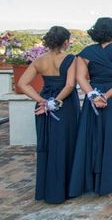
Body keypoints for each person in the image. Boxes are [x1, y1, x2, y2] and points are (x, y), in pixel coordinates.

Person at [69, 17, 112, 197]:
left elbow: (81, 78)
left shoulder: (85, 53)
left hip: (94, 96)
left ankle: (91, 178)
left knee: (93, 136)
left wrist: (93, 95)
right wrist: (106, 96)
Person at [17, 26, 80, 204]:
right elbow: (69, 86)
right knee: (66, 143)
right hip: (65, 104)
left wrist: (42, 101)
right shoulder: (70, 59)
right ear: (66, 42)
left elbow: (23, 83)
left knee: (48, 144)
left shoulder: (39, 60)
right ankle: (65, 189)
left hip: (44, 102)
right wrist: (56, 102)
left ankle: (47, 190)